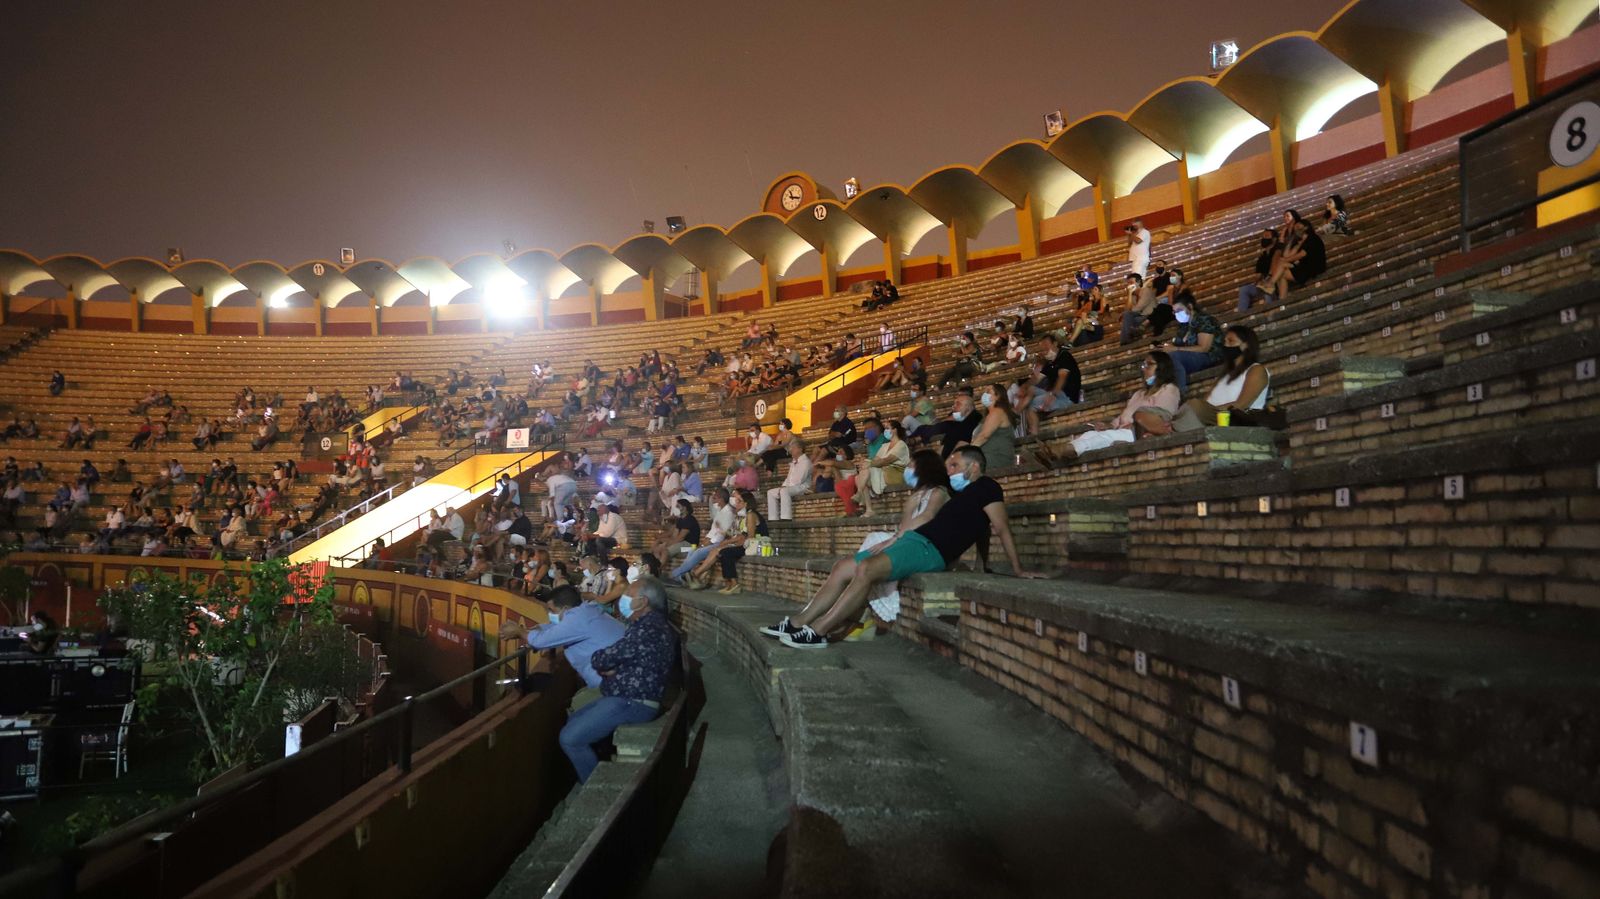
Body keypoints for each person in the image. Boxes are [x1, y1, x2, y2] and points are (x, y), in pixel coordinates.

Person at [767, 447, 1045, 649]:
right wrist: (980, 564)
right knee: (843, 567)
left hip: (930, 548)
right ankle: (798, 622)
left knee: (866, 569)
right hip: (918, 541)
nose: (949, 471)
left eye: (954, 465)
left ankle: (818, 631)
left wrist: (1018, 569)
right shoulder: (964, 494)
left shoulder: (988, 486)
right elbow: (980, 527)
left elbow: (1000, 526)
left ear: (973, 467)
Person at [557, 578, 678, 783]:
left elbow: (602, 657)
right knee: (573, 719)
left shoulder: (648, 629)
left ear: (643, 601)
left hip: (633, 700)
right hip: (626, 695)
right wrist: (614, 666)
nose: (624, 598)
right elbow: (619, 657)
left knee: (570, 739)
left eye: (629, 595)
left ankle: (594, 789)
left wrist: (611, 666)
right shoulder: (646, 625)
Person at [500, 584, 626, 693]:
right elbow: (557, 629)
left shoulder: (577, 619)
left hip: (615, 685)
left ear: (565, 609)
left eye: (552, 610)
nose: (550, 614)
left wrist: (520, 631)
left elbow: (540, 641)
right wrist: (530, 631)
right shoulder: (587, 611)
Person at [1069, 351, 1183, 456]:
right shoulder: (1139, 394)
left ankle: (1067, 450)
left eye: (1149, 364)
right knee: (1090, 434)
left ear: (1162, 368)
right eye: (1143, 365)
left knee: (1107, 437)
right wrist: (1109, 425)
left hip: (1137, 433)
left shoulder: (1169, 389)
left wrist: (1135, 425)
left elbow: (1163, 418)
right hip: (1122, 431)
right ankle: (1064, 450)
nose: (1144, 369)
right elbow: (1123, 416)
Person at [1167, 325, 1272, 431]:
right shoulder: (1225, 375)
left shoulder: (1256, 370)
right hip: (1211, 420)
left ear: (1246, 345)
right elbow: (1206, 402)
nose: (1226, 345)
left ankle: (1171, 428)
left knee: (1193, 406)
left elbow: (1241, 405)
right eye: (1224, 342)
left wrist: (1207, 411)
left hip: (1234, 419)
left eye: (1231, 341)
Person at [835, 421, 908, 516]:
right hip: (883, 472)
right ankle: (869, 509)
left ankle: (859, 493)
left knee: (867, 471)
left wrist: (870, 464)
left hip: (895, 473)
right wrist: (865, 462)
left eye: (887, 428)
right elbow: (876, 459)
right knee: (860, 476)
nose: (885, 431)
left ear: (895, 430)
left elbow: (887, 460)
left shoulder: (901, 445)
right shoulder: (885, 446)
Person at [1161, 295, 1223, 393]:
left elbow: (1204, 348)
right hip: (1189, 357)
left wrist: (1175, 349)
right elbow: (1177, 344)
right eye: (1174, 311)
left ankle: (1177, 394)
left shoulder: (1205, 320)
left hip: (1208, 357)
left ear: (1190, 306)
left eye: (1179, 310)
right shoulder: (1184, 326)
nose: (1177, 314)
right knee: (1156, 362)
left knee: (1174, 356)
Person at [1025, 334, 1081, 435]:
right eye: (1042, 347)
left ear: (1055, 343)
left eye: (1046, 345)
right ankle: (1015, 412)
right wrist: (1023, 388)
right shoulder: (1050, 363)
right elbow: (1036, 379)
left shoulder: (1064, 356)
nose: (1044, 349)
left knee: (1032, 406)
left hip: (1067, 398)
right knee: (1030, 389)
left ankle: (1034, 435)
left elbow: (1062, 377)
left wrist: (1052, 395)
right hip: (1056, 395)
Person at [967, 383, 1017, 472]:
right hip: (986, 456)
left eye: (988, 391)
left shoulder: (997, 412)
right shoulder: (989, 415)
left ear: (998, 396)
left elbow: (984, 436)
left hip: (995, 457)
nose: (984, 394)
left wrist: (967, 453)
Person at [766, 439, 812, 521]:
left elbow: (799, 480)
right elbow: (788, 477)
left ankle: (786, 517)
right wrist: (783, 485)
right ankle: (773, 518)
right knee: (770, 492)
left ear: (800, 449)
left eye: (793, 448)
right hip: (791, 487)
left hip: (802, 487)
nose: (791, 451)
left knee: (784, 491)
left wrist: (784, 488)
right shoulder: (793, 462)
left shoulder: (806, 462)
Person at [1236, 229, 1282, 312]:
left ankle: (1271, 313)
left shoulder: (1278, 249)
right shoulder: (1262, 257)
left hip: (1276, 281)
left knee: (1267, 291)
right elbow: (1258, 275)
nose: (1264, 238)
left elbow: (1276, 265)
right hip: (1264, 283)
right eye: (1263, 236)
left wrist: (1269, 278)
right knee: (1244, 289)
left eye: (1267, 236)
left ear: (1274, 239)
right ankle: (1241, 314)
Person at [1119, 273, 1157, 345]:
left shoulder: (1146, 291)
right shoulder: (1133, 296)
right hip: (1139, 316)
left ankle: (1125, 340)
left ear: (1139, 282)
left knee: (1127, 316)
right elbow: (1127, 309)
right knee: (1127, 316)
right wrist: (1129, 294)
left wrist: (1124, 313)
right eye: (1128, 283)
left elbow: (1138, 308)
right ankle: (1126, 339)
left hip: (1149, 316)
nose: (1129, 285)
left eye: (1131, 283)